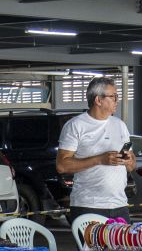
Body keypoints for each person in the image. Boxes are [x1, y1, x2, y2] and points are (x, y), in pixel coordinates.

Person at [56, 76, 134, 222]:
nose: (117, 100)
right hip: (88, 206)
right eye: (113, 96)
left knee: (123, 246)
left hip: (119, 205)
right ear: (98, 100)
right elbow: (62, 165)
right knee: (90, 246)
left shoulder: (120, 125)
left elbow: (132, 165)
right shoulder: (75, 126)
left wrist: (129, 160)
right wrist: (99, 159)